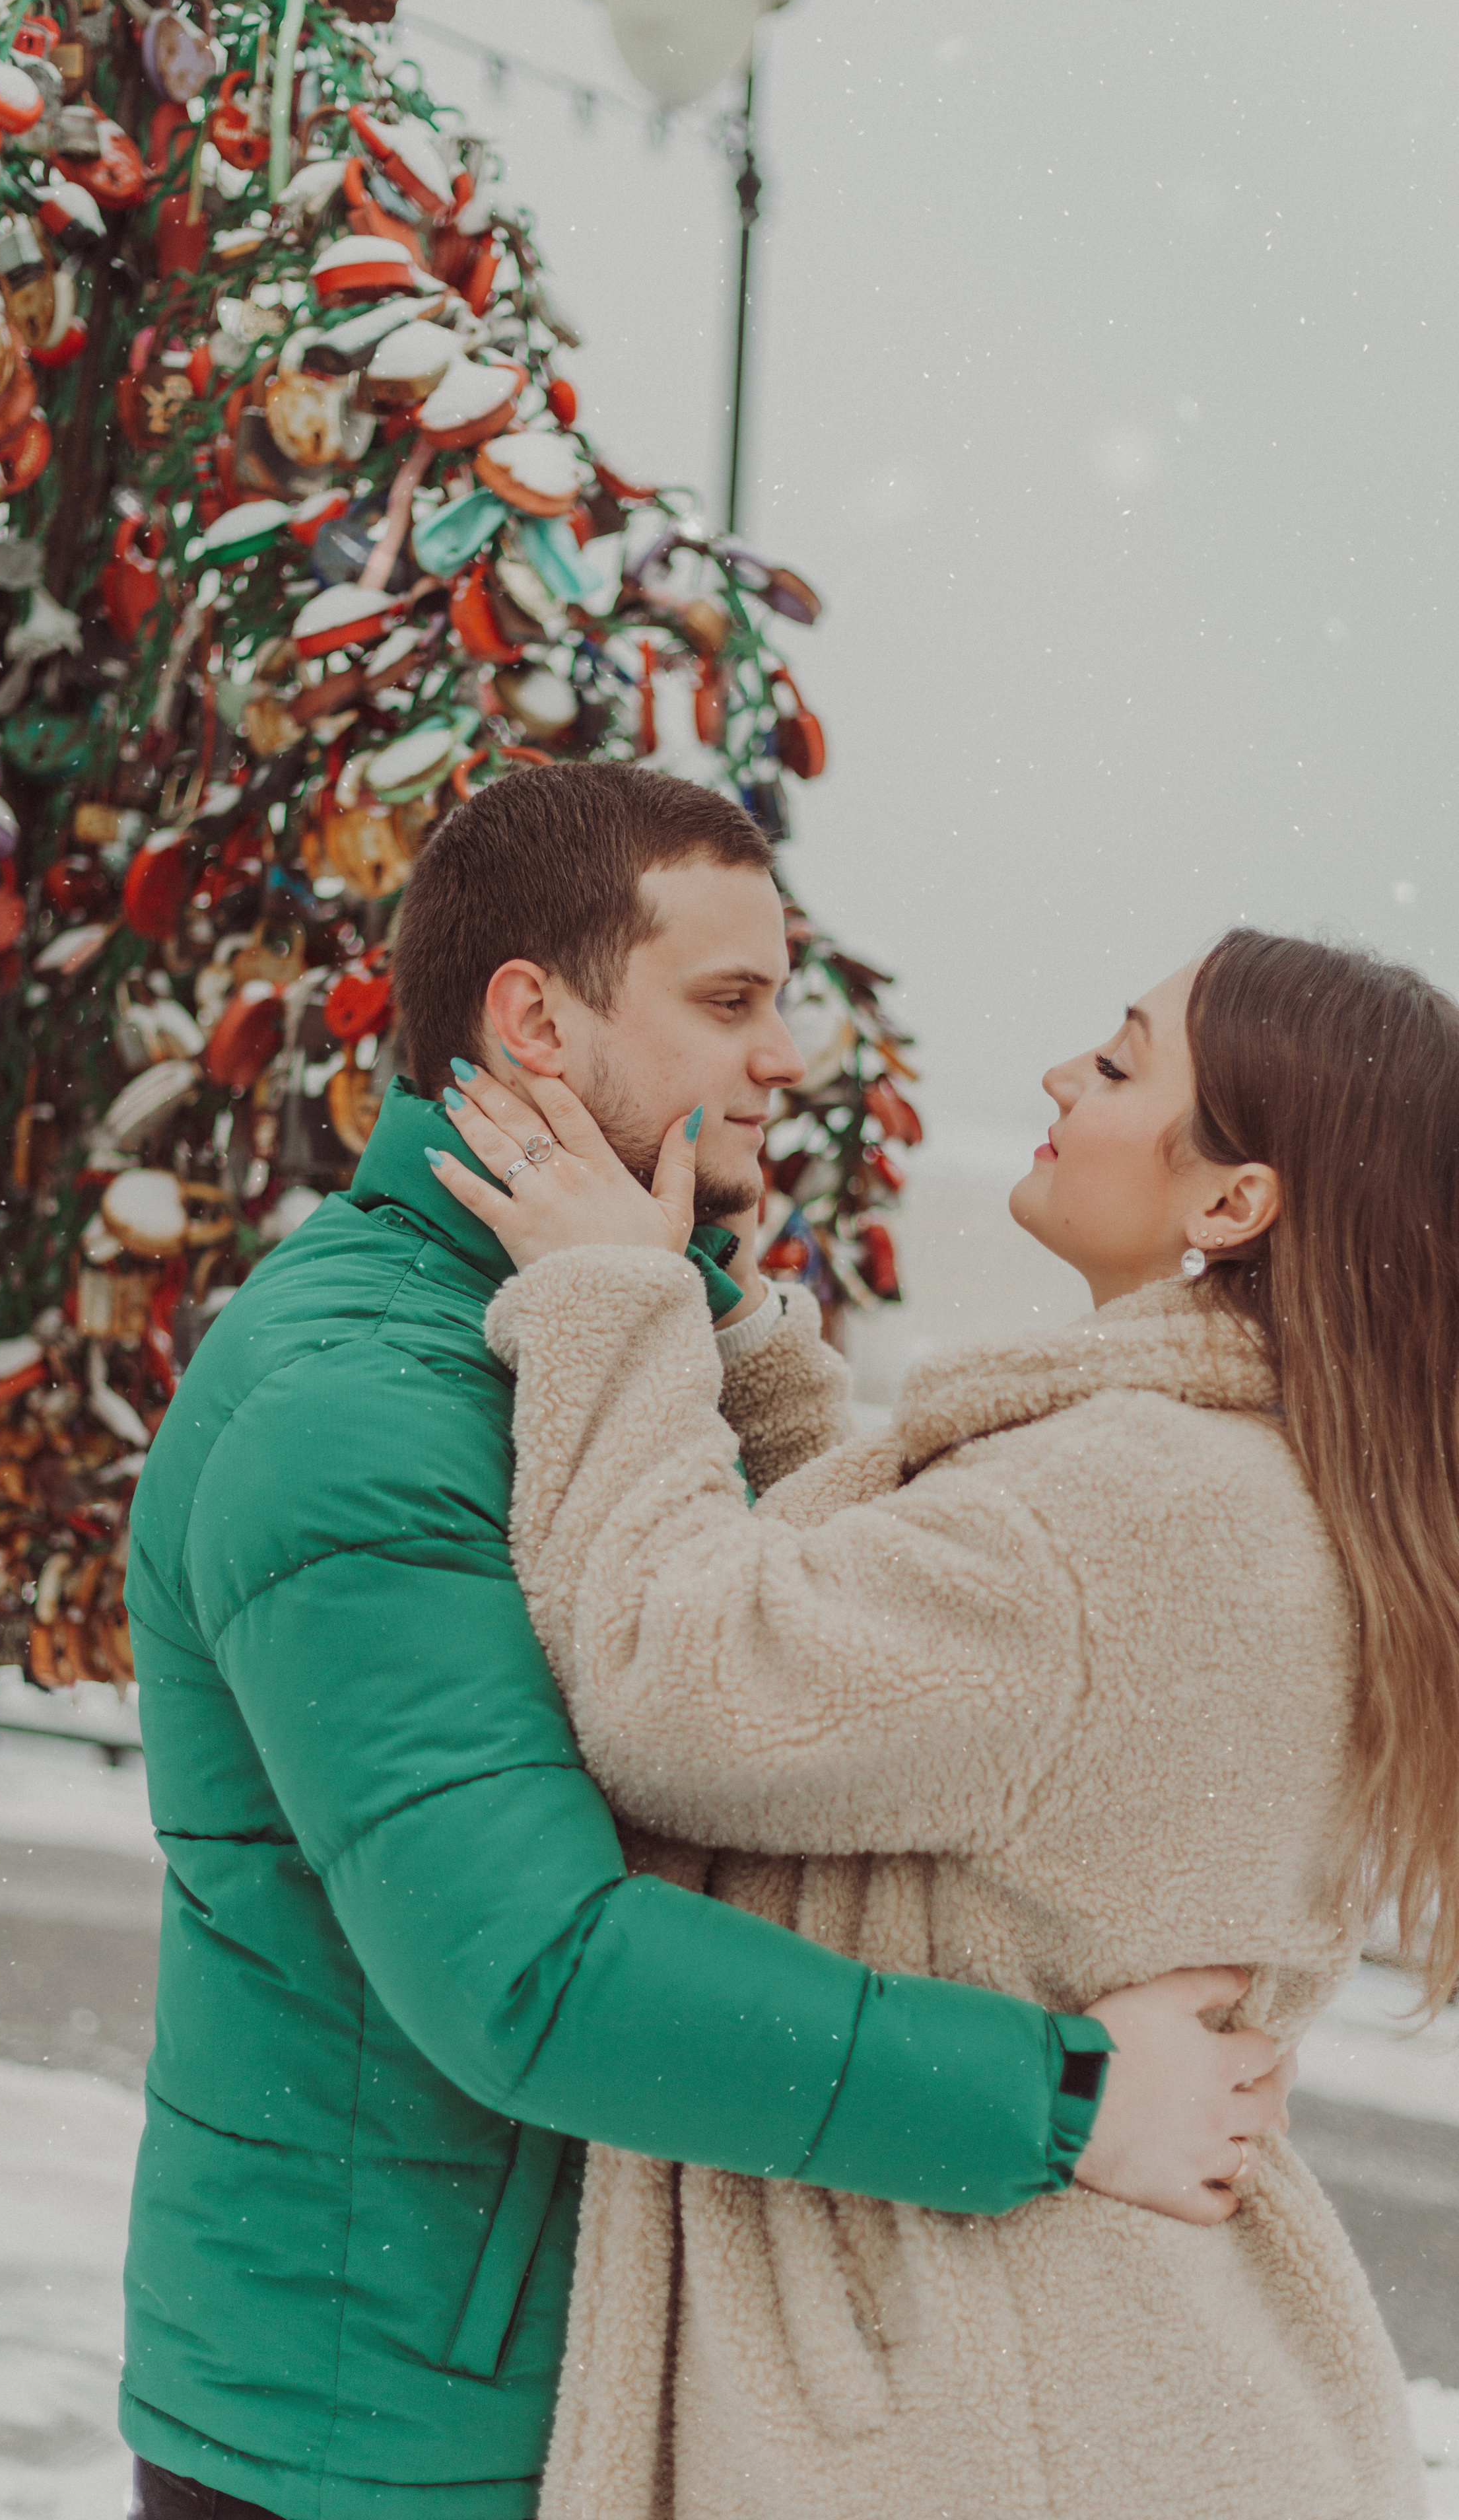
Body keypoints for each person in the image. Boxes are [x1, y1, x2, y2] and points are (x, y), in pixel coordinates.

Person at [120, 768, 1292, 2520]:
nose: (785, 1057)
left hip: (548, 2396)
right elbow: (534, 1978)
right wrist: (1065, 2102)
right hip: (383, 2436)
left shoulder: (590, 1337)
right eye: (730, 1002)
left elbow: (812, 1667)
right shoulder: (360, 1409)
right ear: (535, 1021)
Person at [430, 925, 1448, 2519]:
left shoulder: (1127, 1506)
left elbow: (675, 1686)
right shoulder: (1269, 1481)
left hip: (983, 2410)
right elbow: (924, 1669)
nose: (1055, 1076)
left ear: (1231, 1203)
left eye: (1115, 1064)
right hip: (1124, 2374)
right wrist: (732, 1346)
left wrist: (607, 1305)